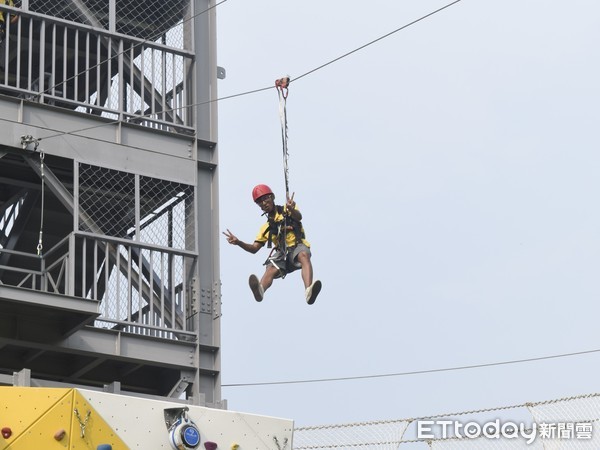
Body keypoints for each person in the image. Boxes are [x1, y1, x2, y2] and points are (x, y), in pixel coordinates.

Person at [223, 184, 322, 305]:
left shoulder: (288, 209)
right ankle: (260, 290)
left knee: (303, 255)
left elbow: (299, 217)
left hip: (296, 247)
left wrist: (291, 209)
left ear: (272, 197)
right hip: (282, 254)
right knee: (271, 268)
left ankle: (308, 292)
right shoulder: (266, 228)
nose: (263, 203)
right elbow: (254, 248)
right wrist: (238, 242)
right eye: (260, 202)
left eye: (265, 199)